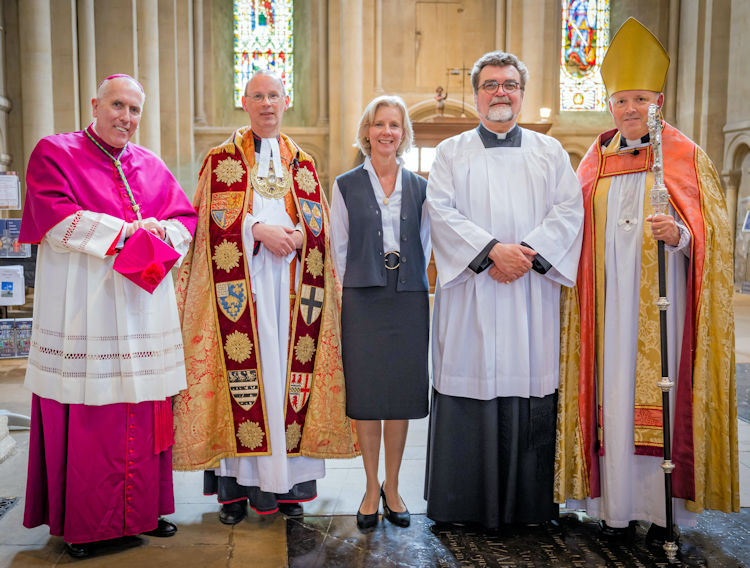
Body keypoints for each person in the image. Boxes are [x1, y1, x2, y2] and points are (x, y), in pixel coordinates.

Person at [555, 18, 739, 548]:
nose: (630, 109)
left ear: (658, 100)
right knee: (610, 396)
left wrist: (681, 235)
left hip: (668, 310)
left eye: (640, 99)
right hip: (606, 309)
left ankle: (665, 514)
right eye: (621, 100)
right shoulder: (594, 161)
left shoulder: (684, 156)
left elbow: (715, 240)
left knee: (663, 398)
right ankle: (615, 510)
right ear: (610, 105)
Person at [19, 74, 197, 558]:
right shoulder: (56, 152)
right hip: (86, 313)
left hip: (140, 314)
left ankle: (144, 511)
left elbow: (185, 221)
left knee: (143, 406)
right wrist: (133, 234)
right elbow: (54, 218)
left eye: (135, 110)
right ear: (95, 105)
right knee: (92, 414)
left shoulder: (151, 164)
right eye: (118, 106)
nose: (127, 118)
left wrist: (155, 235)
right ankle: (87, 525)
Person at [172, 71, 357, 525]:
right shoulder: (221, 160)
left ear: (286, 100)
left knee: (285, 382)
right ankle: (236, 492)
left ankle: (290, 487)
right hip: (244, 292)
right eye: (258, 96)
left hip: (295, 295)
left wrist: (299, 237)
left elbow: (323, 227)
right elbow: (209, 226)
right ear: (245, 102)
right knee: (246, 384)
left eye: (274, 96)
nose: (267, 104)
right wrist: (256, 230)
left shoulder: (304, 163)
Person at [424, 51, 584, 529]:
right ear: (476, 95)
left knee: (529, 381)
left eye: (509, 84)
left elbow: (569, 211)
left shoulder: (549, 152)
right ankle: (461, 504)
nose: (501, 92)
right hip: (472, 294)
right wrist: (491, 251)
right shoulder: (451, 152)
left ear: (521, 94)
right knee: (468, 375)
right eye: (491, 84)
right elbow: (440, 212)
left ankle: (529, 507)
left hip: (529, 294)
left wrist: (527, 253)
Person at [330, 95, 431, 529]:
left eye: (394, 125)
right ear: (366, 132)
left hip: (408, 296)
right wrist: (349, 289)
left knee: (401, 397)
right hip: (363, 297)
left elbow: (426, 243)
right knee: (369, 397)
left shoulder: (422, 187)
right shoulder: (346, 184)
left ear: (403, 133)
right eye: (379, 124)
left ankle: (394, 486)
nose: (386, 132)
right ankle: (370, 487)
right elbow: (337, 246)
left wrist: (409, 280)